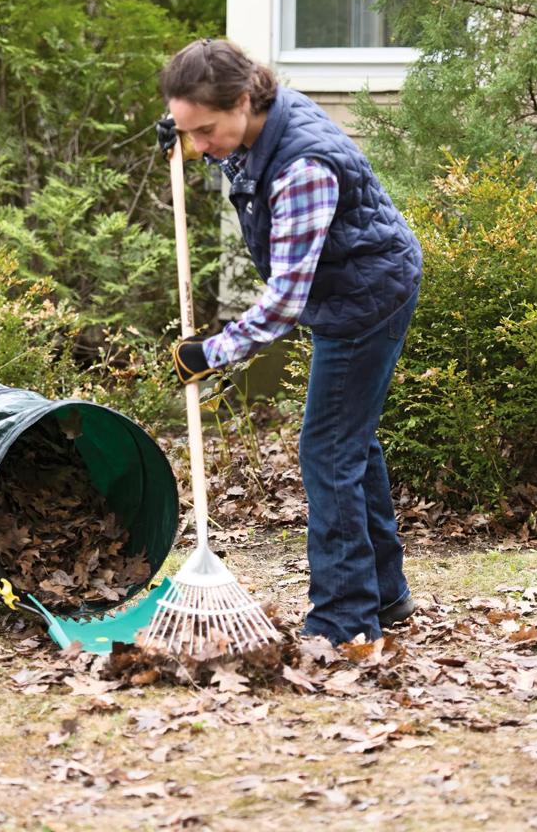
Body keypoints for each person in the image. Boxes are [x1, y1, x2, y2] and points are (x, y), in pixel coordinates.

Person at [155, 37, 422, 645]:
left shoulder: (304, 167)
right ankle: (385, 594)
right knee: (350, 443)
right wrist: (182, 134)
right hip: (347, 287)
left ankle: (345, 617)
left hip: (365, 298)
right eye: (187, 131)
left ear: (244, 100)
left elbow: (284, 303)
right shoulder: (257, 123)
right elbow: (235, 155)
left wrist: (212, 353)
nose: (200, 146)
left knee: (328, 450)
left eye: (205, 129)